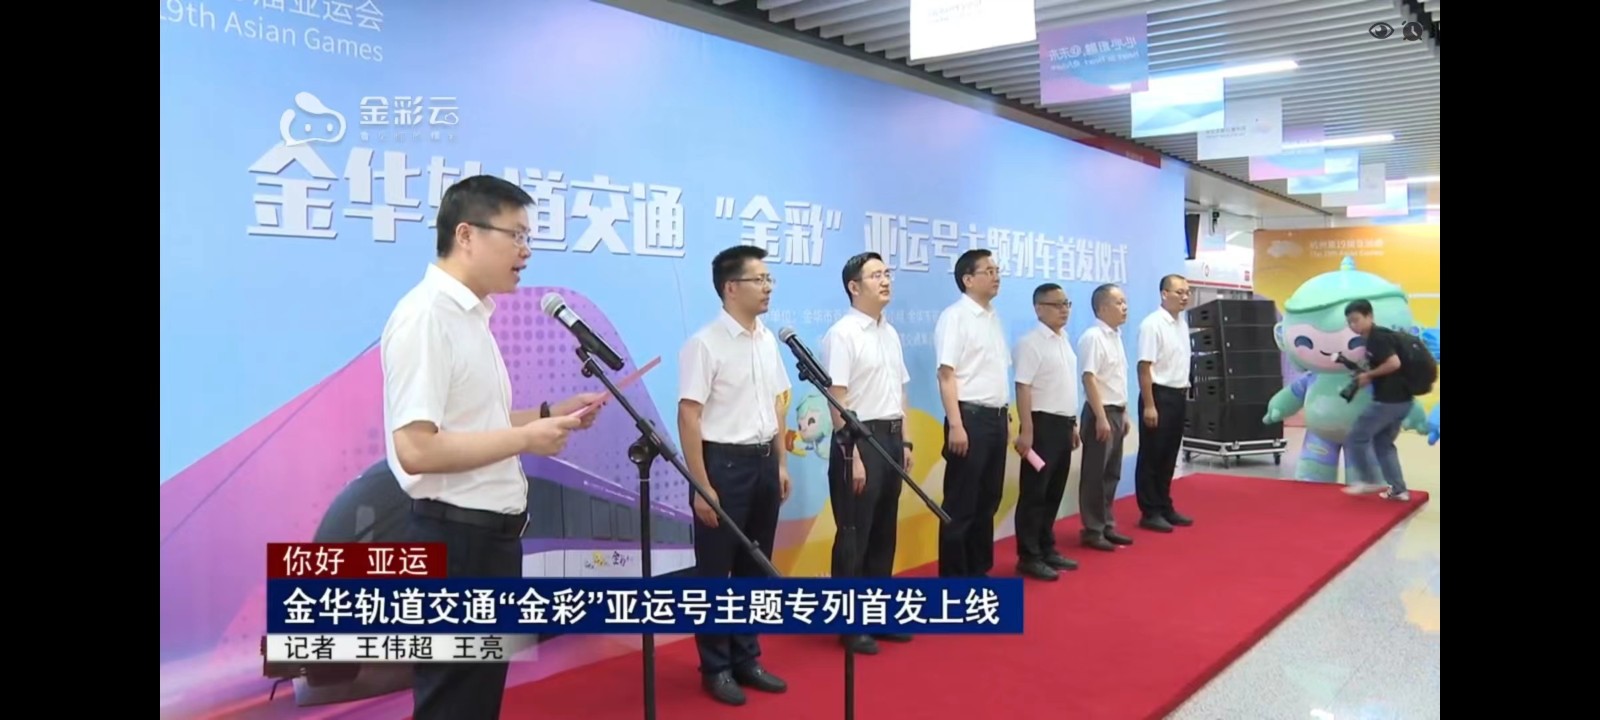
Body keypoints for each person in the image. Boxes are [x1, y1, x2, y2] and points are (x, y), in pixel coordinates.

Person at [380, 175, 605, 720]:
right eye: (516, 235)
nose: (526, 252)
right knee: (453, 705)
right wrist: (527, 439)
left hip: (488, 542)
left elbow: (477, 424)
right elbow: (416, 449)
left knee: (476, 702)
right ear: (466, 235)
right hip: (456, 543)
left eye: (529, 238)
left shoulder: (471, 316)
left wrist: (549, 415)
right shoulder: (426, 317)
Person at [677, 244, 793, 707]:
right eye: (758, 279)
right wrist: (701, 485)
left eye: (769, 279)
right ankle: (716, 667)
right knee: (714, 574)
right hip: (722, 466)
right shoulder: (705, 344)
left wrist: (780, 463)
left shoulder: (766, 339)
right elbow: (689, 416)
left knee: (754, 567)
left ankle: (747, 657)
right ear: (730, 287)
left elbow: (778, 404)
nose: (767, 287)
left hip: (764, 461)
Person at [821, 251, 915, 654]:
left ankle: (878, 614)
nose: (885, 280)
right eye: (876, 275)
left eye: (887, 273)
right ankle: (850, 623)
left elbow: (900, 391)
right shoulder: (842, 334)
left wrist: (906, 440)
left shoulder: (889, 332)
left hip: (890, 437)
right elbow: (836, 398)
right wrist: (853, 454)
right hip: (859, 441)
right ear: (854, 286)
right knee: (854, 534)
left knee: (882, 532)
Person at [933, 249, 1010, 578]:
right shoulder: (956, 317)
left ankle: (978, 571)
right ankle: (954, 579)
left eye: (997, 270)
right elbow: (946, 374)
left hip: (996, 418)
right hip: (969, 419)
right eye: (988, 271)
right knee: (961, 502)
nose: (996, 276)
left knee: (988, 499)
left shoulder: (992, 317)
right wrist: (956, 424)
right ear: (967, 279)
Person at [1012, 283, 1081, 581]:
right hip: (1041, 426)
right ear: (1039, 308)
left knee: (1054, 491)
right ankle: (1029, 556)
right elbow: (1023, 387)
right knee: (1035, 493)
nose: (1064, 310)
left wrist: (1073, 424)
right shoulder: (1030, 343)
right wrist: (1027, 430)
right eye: (1056, 304)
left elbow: (1064, 387)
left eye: (1066, 304)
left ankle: (1046, 547)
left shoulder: (1064, 339)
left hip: (1063, 424)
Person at [1134, 274, 1195, 532]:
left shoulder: (1181, 323)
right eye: (1179, 292)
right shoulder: (1152, 324)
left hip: (1178, 395)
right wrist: (1149, 404)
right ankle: (1150, 511)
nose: (1185, 297)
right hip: (1158, 396)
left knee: (1169, 455)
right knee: (1152, 455)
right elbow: (1144, 367)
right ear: (1164, 294)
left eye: (1187, 292)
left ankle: (1164, 504)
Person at [1076, 283, 1133, 552]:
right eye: (1119, 302)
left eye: (1125, 302)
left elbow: (1116, 380)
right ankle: (1093, 529)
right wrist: (1100, 417)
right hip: (1101, 413)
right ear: (1101, 308)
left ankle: (1107, 524)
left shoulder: (1116, 336)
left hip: (1116, 412)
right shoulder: (1093, 337)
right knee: (1095, 475)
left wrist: (1125, 413)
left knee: (1111, 473)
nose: (1125, 307)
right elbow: (1089, 378)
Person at [1342, 299, 1413, 501]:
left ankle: (1368, 480)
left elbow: (1394, 363)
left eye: (1356, 319)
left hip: (1387, 401)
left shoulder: (1377, 338)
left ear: (1369, 316)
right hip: (1403, 401)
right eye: (1349, 322)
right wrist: (1366, 374)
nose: (1353, 325)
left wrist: (1369, 375)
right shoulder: (1382, 337)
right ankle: (1399, 490)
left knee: (1356, 437)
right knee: (1383, 443)